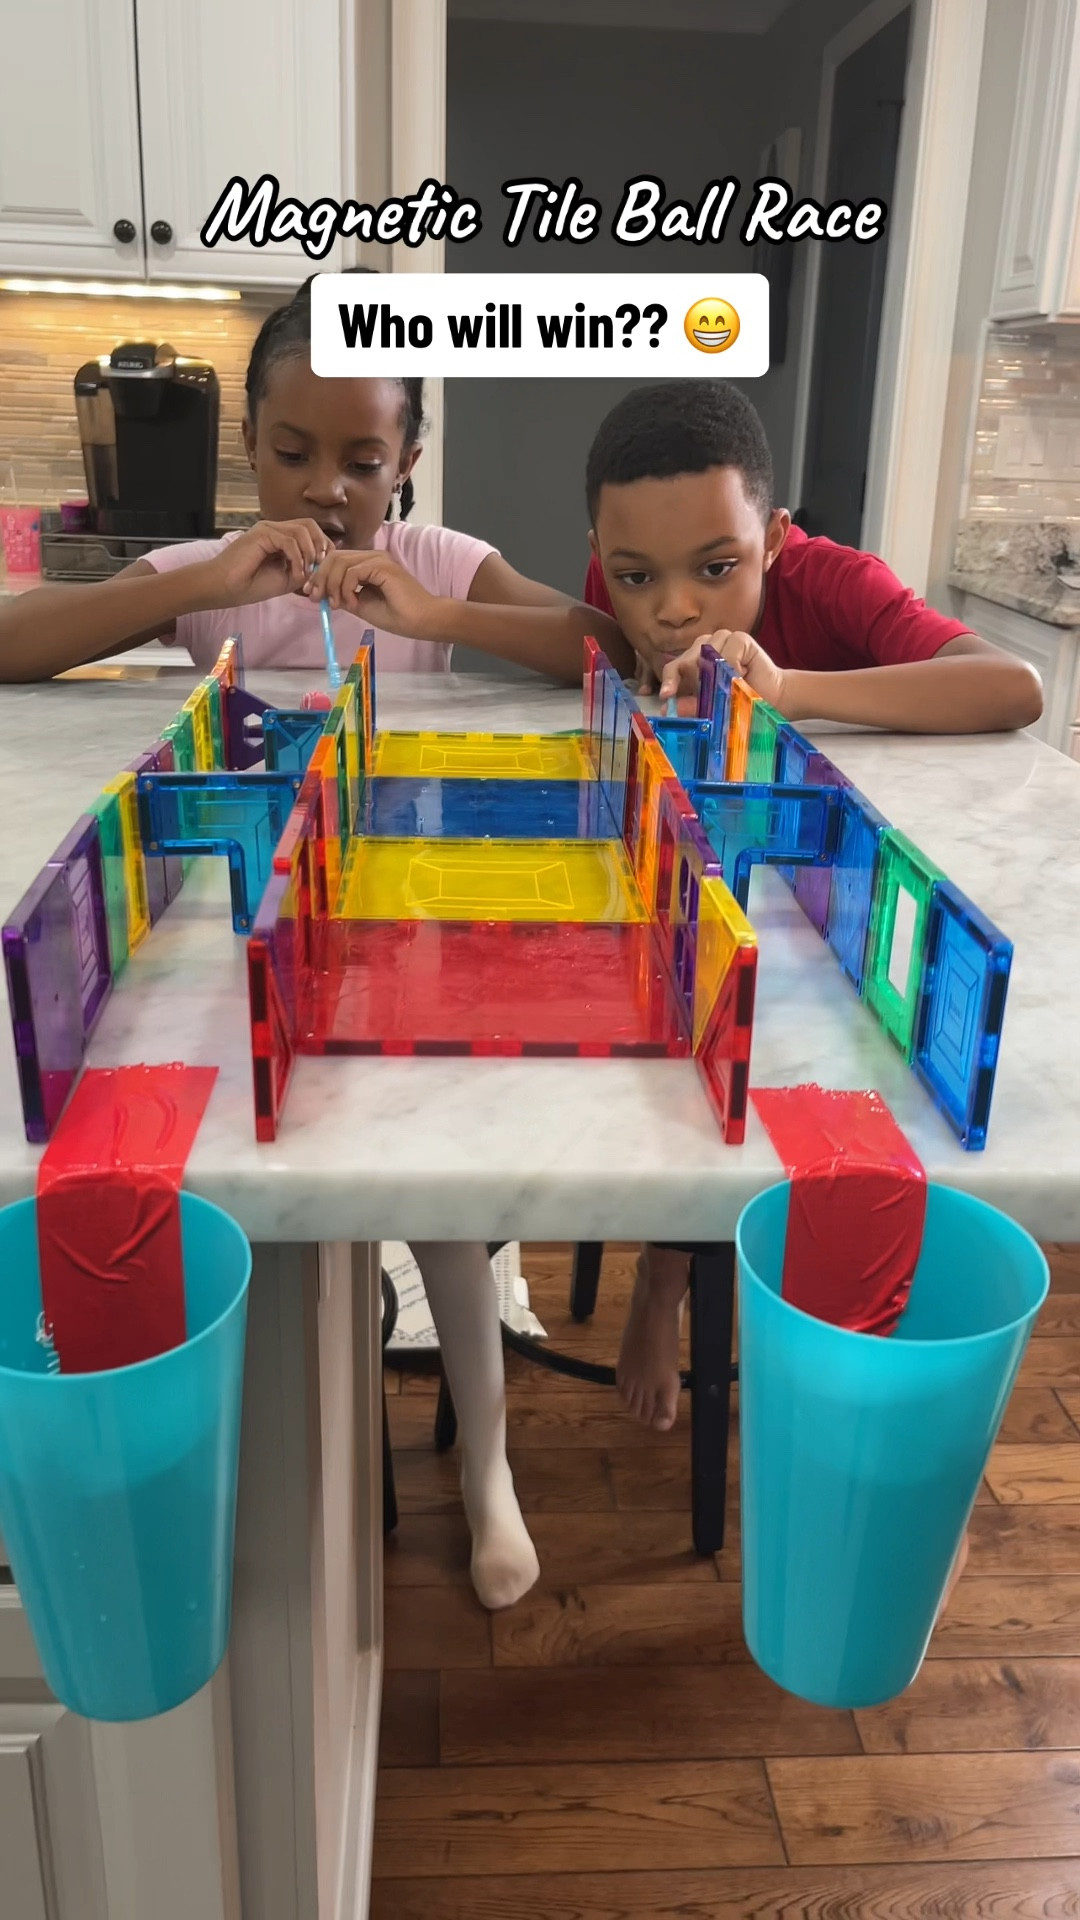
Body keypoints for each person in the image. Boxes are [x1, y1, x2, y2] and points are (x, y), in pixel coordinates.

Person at [0, 275, 632, 1613]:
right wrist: (208, 576)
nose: (329, 491)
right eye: (294, 455)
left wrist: (437, 616)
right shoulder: (206, 582)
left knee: (444, 1202)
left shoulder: (444, 563)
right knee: (263, 1223)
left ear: (407, 462)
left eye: (363, 461)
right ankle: (294, 1473)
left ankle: (489, 1468)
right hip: (239, 947)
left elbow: (602, 647)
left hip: (401, 946)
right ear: (250, 446)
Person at [581, 382, 1041, 1463]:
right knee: (676, 1051)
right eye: (637, 577)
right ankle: (663, 1274)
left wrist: (795, 687)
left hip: (833, 880)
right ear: (600, 554)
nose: (676, 609)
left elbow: (1009, 686)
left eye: (716, 568)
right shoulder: (621, 596)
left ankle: (855, 1378)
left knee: (852, 1098)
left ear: (776, 539)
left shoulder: (834, 582)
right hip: (703, 874)